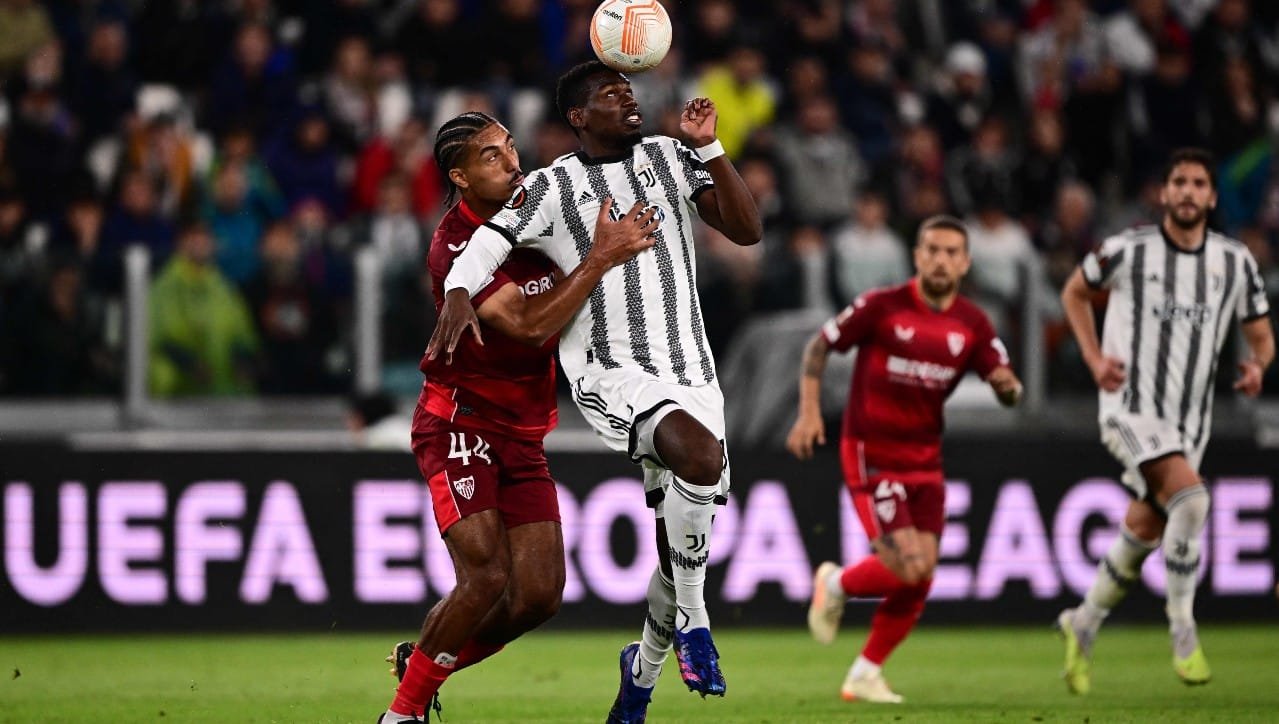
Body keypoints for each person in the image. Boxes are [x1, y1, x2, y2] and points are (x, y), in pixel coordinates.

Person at [428, 61, 763, 723]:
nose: (627, 99)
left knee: (680, 540)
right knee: (698, 459)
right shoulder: (552, 186)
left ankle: (638, 677)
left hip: (693, 371)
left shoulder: (672, 157)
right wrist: (457, 291)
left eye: (629, 90)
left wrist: (711, 149)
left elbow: (747, 229)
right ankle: (696, 624)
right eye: (610, 94)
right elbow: (483, 244)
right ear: (578, 117)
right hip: (612, 371)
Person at [378, 111, 658, 724]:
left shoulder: (540, 207)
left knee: (537, 597)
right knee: (485, 575)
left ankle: (421, 661)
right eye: (491, 158)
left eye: (510, 149)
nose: (512, 164)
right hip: (461, 421)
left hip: (524, 432)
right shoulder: (455, 245)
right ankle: (401, 715)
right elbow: (532, 328)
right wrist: (600, 259)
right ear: (460, 176)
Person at [1055, 147, 1273, 694]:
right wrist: (1092, 357)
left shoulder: (1235, 261)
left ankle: (1083, 622)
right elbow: (1075, 291)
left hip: (1188, 426)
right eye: (1179, 181)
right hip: (1129, 408)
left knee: (1145, 529)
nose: (1188, 191)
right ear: (1165, 192)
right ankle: (1183, 629)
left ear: (1212, 196)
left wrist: (1258, 366)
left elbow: (1262, 333)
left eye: (1199, 182)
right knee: (1193, 501)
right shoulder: (1129, 250)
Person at [786, 215, 1023, 704]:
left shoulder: (973, 324)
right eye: (932, 250)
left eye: (951, 252)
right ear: (917, 256)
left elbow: (1009, 387)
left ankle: (865, 673)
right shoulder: (882, 306)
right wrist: (809, 414)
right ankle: (836, 582)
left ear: (965, 262)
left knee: (923, 575)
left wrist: (1008, 388)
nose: (940, 260)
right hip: (873, 453)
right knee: (906, 565)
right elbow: (819, 347)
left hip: (926, 460)